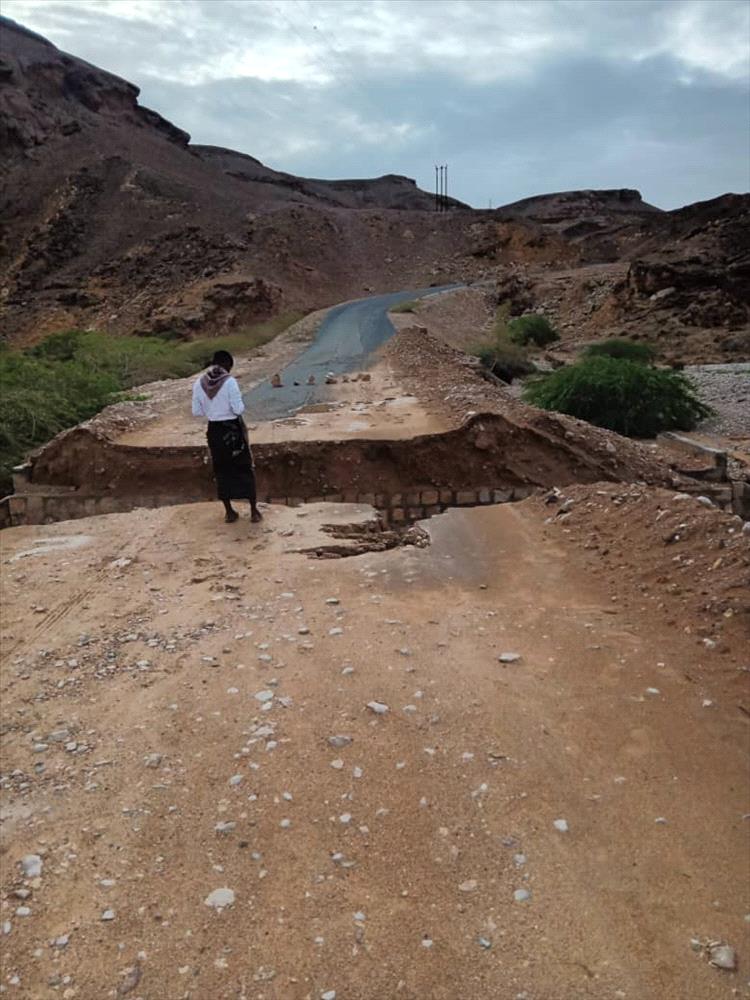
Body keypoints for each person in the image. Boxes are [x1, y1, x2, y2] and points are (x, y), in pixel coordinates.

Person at [192, 350, 262, 524]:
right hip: (232, 430)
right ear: (227, 365)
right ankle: (253, 511)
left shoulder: (199, 383)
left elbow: (197, 412)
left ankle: (229, 512)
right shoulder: (229, 382)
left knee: (222, 470)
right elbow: (238, 409)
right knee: (244, 468)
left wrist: (212, 410)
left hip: (215, 431)